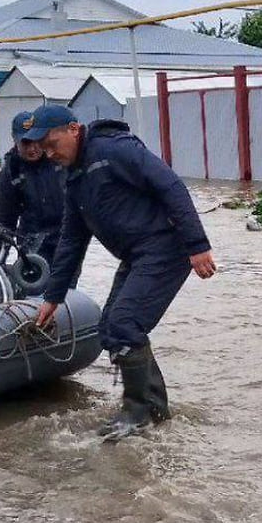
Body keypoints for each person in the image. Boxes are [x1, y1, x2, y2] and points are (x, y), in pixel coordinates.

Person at [27, 105, 217, 441]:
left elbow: (171, 186)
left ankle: (136, 415)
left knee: (126, 325)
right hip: (136, 255)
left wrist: (197, 245)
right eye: (42, 147)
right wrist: (52, 298)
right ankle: (155, 411)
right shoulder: (74, 177)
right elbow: (71, 240)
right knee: (111, 329)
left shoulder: (113, 149)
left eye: (51, 142)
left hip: (166, 248)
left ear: (73, 129)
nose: (48, 152)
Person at [0, 110, 68, 277]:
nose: (33, 148)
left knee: (64, 292)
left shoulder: (61, 159)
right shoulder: (10, 174)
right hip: (33, 245)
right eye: (26, 143)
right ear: (15, 140)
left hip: (66, 240)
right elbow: (4, 225)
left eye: (37, 141)